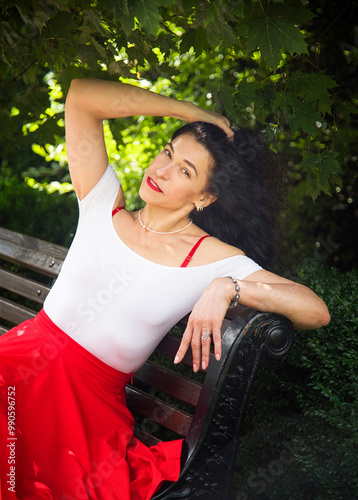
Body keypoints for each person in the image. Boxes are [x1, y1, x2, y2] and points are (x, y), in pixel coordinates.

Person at [0, 78, 330, 500]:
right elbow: (82, 97)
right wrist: (193, 114)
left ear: (206, 197)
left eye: (184, 171)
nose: (161, 170)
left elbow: (315, 310)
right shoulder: (104, 204)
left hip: (84, 414)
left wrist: (227, 287)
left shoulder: (212, 258)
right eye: (168, 153)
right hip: (17, 367)